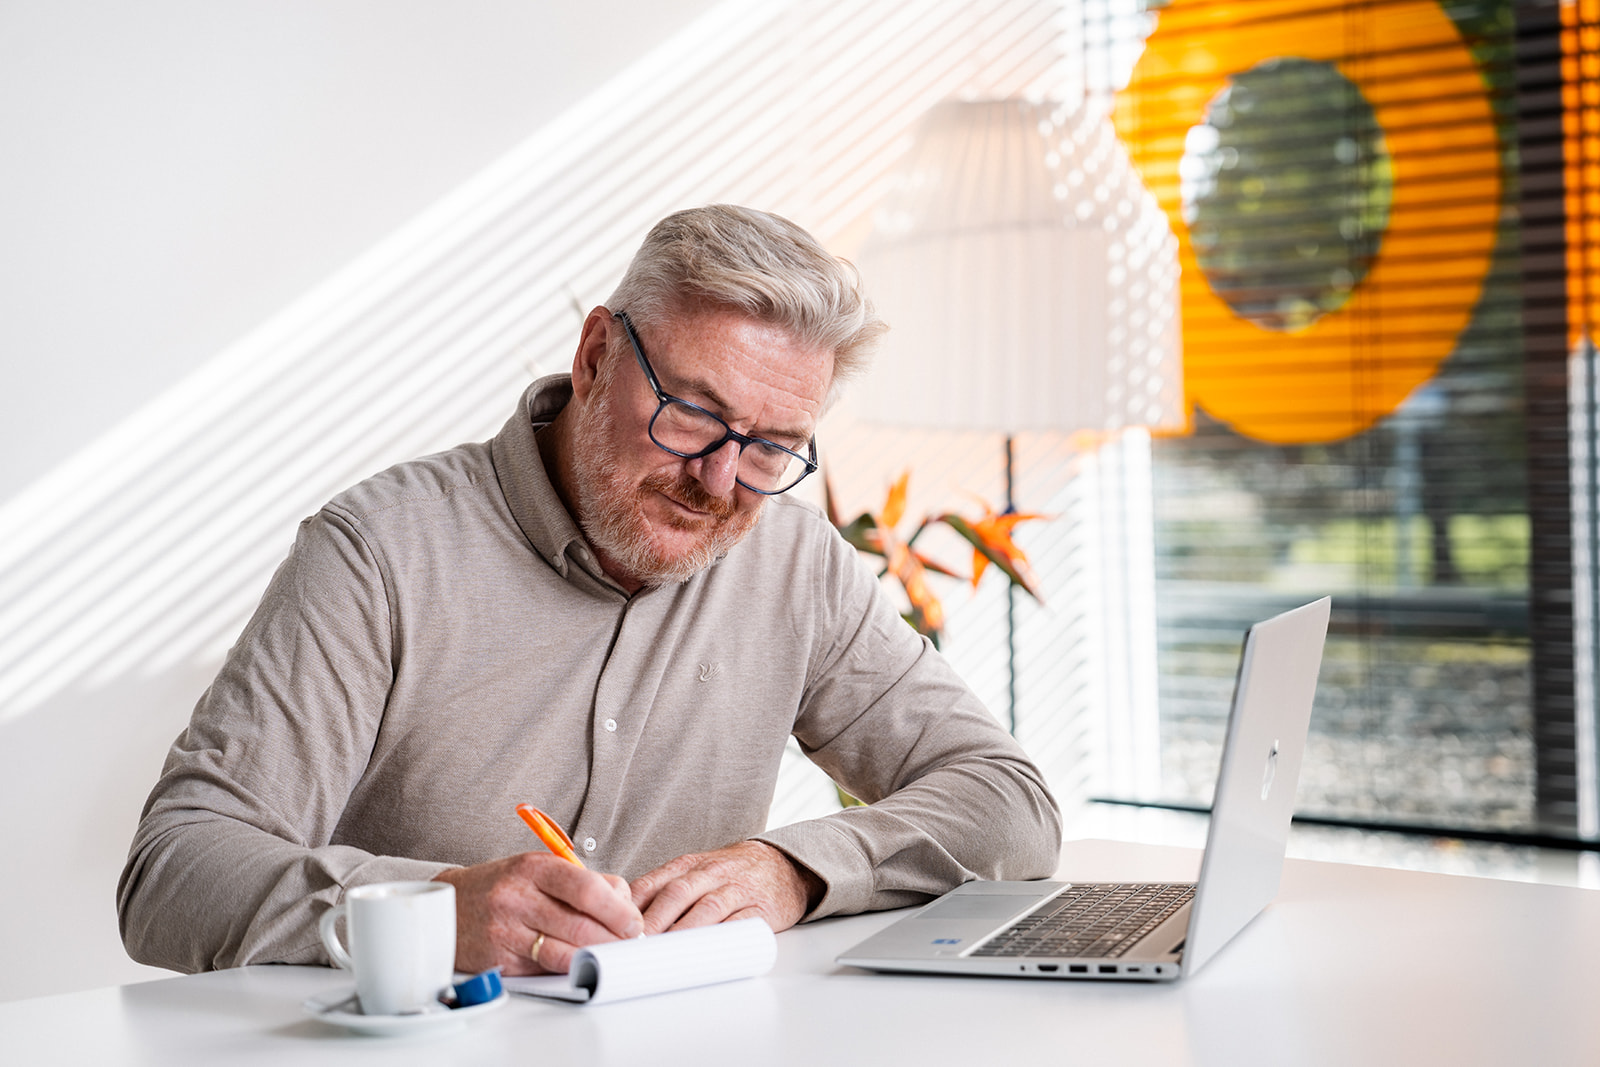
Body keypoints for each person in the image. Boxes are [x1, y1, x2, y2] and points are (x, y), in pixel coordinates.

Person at [118, 204, 1062, 978]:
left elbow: (1010, 802)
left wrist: (795, 870)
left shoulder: (795, 564)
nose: (724, 481)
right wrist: (437, 912)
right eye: (694, 413)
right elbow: (174, 871)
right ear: (596, 356)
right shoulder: (380, 553)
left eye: (773, 445)